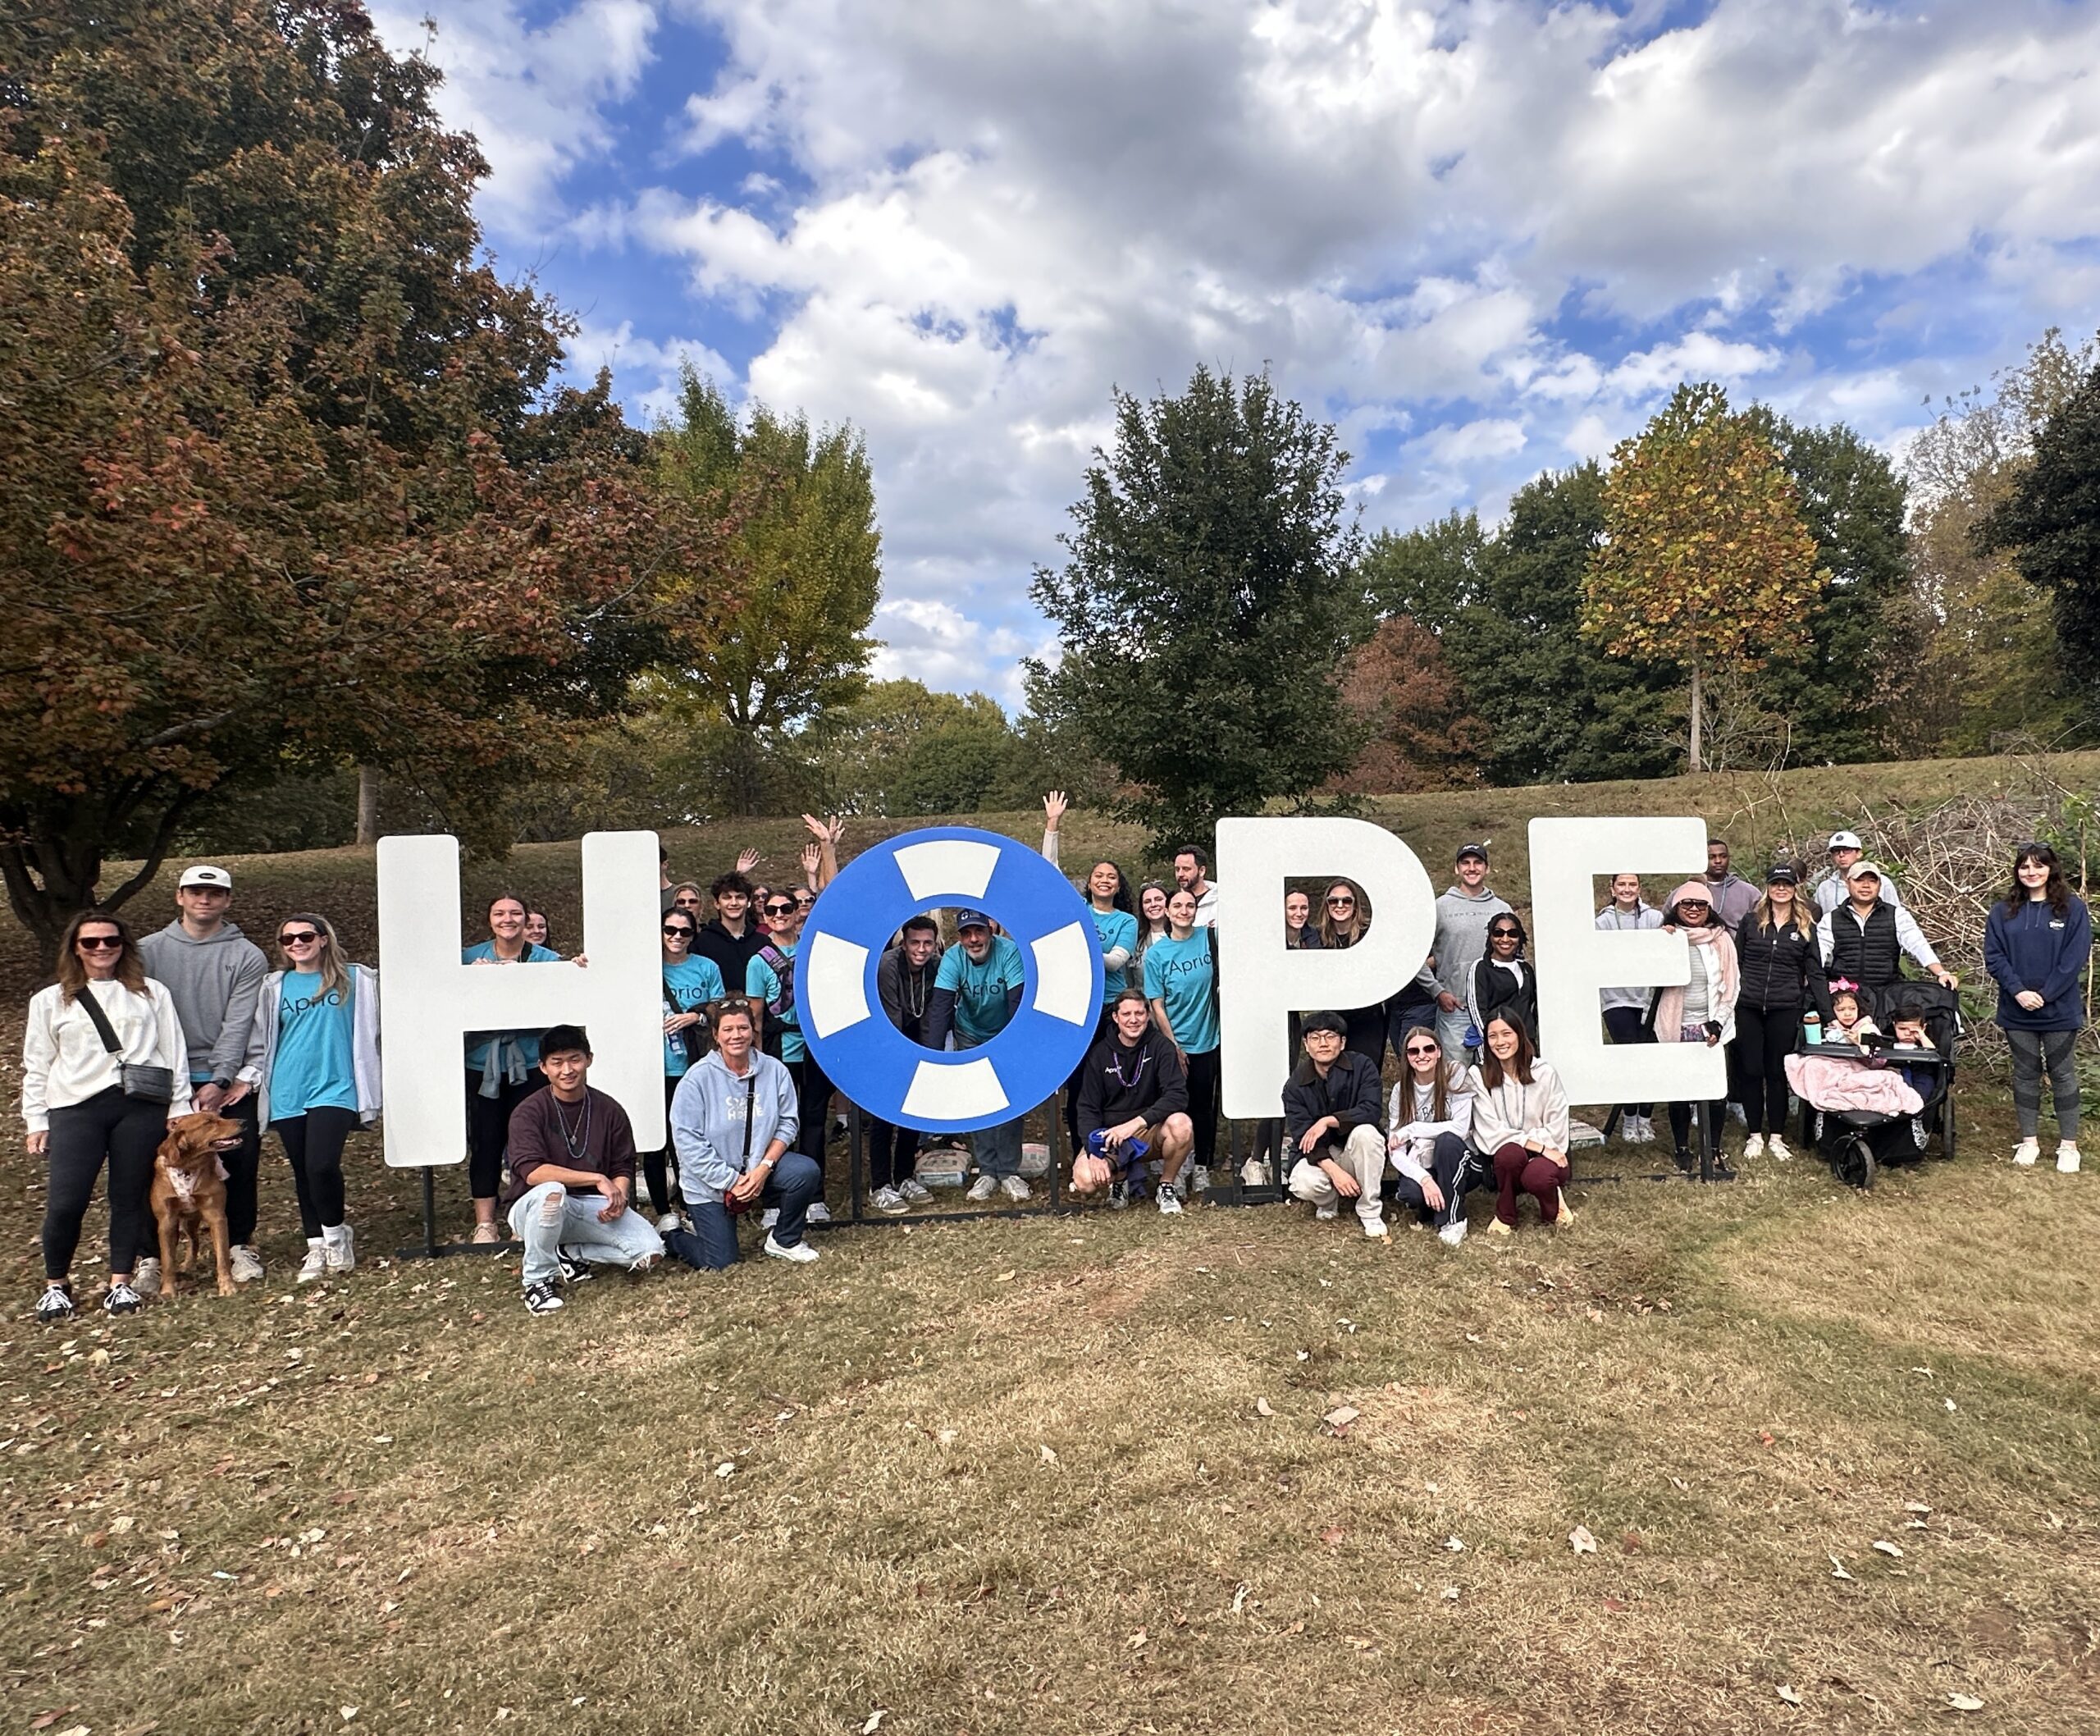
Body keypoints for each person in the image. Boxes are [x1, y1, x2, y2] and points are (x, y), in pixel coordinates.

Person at [22, 911, 193, 1322]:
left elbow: (174, 1051)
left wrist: (180, 1106)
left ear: (124, 946)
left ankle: (121, 1282)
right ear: (75, 949)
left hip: (139, 1106)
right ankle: (56, 1285)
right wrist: (36, 1120)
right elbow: (38, 1063)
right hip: (75, 1107)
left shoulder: (151, 993)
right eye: (91, 943)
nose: (101, 949)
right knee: (67, 1199)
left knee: (128, 1197)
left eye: (110, 942)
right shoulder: (50, 1000)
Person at [135, 864, 267, 1291]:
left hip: (223, 1077)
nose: (203, 900)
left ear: (227, 900)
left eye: (214, 894)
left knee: (239, 1161)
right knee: (147, 1165)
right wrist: (174, 1083)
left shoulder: (246, 954)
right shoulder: (147, 951)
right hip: (160, 1076)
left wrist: (221, 1079)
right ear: (180, 897)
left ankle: (239, 1246)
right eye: (194, 892)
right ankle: (151, 1258)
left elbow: (239, 1020)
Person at [243, 914, 379, 1284]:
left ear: (323, 939)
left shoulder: (357, 979)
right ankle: (316, 1243)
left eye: (305, 936)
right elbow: (260, 1039)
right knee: (303, 1170)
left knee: (322, 1164)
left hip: (336, 1086)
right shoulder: (275, 986)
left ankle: (337, 1235)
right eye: (287, 940)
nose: (296, 944)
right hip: (289, 1088)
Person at [503, 1025, 664, 1314]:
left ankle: (570, 1252)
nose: (567, 1069)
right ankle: (538, 1282)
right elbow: (531, 1172)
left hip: (588, 1205)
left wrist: (618, 1197)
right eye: (557, 1062)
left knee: (650, 1252)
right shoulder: (529, 1111)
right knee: (553, 1191)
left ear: (589, 1059)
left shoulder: (609, 1109)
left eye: (574, 1059)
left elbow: (622, 1163)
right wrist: (596, 1178)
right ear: (543, 1067)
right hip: (532, 1207)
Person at [666, 998, 822, 1268]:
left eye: (743, 1027)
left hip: (758, 1170)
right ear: (715, 1035)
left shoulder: (775, 1071)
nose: (736, 1035)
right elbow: (688, 1142)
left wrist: (763, 1168)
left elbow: (788, 1123)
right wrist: (731, 1181)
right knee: (720, 1262)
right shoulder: (696, 1080)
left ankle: (784, 1239)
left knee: (804, 1172)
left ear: (753, 1030)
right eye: (727, 1030)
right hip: (710, 1183)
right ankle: (672, 1237)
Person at [461, 893, 562, 1243]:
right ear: (489, 919)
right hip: (482, 1063)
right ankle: (486, 1222)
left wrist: (578, 969)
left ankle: (525, 1214)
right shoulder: (468, 958)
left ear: (526, 918)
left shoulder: (548, 960)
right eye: (500, 913)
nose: (508, 919)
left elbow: (565, 998)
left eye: (516, 913)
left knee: (531, 1141)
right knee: (486, 1141)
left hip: (531, 1061)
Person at [1984, 841, 2090, 1172]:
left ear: (2051, 869)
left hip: (2060, 1010)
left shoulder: (2073, 909)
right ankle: (2029, 1141)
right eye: (2025, 867)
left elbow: (2074, 959)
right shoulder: (2003, 911)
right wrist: (2018, 991)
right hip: (2017, 1010)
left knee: (2062, 1074)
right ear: (2017, 871)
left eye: (2038, 866)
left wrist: (2046, 994)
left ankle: (2068, 1146)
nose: (2031, 872)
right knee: (2026, 1075)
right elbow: (1994, 956)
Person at [926, 909, 1031, 1202]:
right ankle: (987, 1170)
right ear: (959, 937)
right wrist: (934, 1060)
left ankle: (1009, 1171)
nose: (973, 939)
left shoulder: (1008, 951)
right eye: (966, 934)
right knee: (979, 1099)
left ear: (990, 930)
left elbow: (1016, 1000)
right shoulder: (953, 958)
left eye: (979, 931)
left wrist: (1011, 1047)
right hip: (970, 1033)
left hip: (1006, 1031)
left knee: (1010, 1098)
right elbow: (941, 1008)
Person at [746, 890, 833, 1222]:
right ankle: (772, 1200)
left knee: (813, 1121)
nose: (779, 914)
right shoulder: (759, 961)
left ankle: (815, 1198)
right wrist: (758, 1058)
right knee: (773, 1124)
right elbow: (755, 1015)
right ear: (765, 916)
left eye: (786, 908)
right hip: (778, 1048)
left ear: (798, 911)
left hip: (814, 1049)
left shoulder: (813, 950)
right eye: (772, 910)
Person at [1731, 865, 1825, 1163]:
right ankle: (1755, 1135)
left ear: (1795, 887)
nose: (1781, 889)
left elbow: (1815, 971)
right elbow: (1737, 964)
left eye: (1786, 884)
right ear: (1768, 887)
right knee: (1750, 1070)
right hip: (1748, 1004)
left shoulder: (1805, 925)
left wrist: (1829, 1014)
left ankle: (1777, 1136)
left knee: (1776, 1072)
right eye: (1775, 884)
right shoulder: (1750, 921)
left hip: (1785, 1006)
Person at [1073, 988, 1194, 1212]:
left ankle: (1166, 1186)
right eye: (1127, 1014)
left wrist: (1135, 1124)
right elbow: (1087, 1108)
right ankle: (1120, 1180)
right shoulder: (1099, 1054)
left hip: (1148, 1129)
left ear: (1147, 1016)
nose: (1133, 1020)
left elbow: (1177, 1096)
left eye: (1139, 1013)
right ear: (1116, 1018)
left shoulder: (1161, 1047)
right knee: (1084, 1180)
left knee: (1182, 1125)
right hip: (1110, 1135)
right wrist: (1094, 1152)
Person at [1651, 883, 1740, 1176]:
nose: (1693, 909)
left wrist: (1719, 1021)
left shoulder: (1721, 939)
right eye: (1687, 904)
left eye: (1701, 905)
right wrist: (1662, 944)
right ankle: (1682, 1148)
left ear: (1709, 909)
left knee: (1714, 1091)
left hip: (1711, 1023)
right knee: (1679, 1090)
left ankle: (1712, 1147)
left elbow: (1732, 984)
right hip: (1676, 1023)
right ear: (1676, 908)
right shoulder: (1667, 937)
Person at [650, 909, 726, 1231]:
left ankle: (692, 1203)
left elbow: (722, 1010)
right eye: (670, 930)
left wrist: (695, 1018)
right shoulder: (646, 968)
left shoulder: (706, 968)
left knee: (694, 1138)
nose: (676, 937)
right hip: (655, 1066)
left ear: (693, 935)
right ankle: (663, 1210)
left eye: (684, 932)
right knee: (658, 1141)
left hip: (695, 1067)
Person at [1144, 886, 1221, 1199]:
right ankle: (1175, 1170)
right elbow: (1157, 1003)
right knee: (1175, 1108)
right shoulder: (1157, 954)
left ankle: (1202, 1165)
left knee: (1205, 1107)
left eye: (1190, 906)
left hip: (1209, 1040)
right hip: (1175, 1043)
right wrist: (1172, 1044)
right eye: (1177, 906)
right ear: (1167, 911)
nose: (1184, 911)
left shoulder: (1210, 939)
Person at [1282, 1012, 1390, 1238]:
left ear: (1342, 1042)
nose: (1323, 1043)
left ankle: (1370, 1211)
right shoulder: (1295, 1085)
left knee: (1367, 1134)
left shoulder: (1363, 1067)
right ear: (1306, 1044)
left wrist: (1329, 1121)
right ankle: (1328, 1201)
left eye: (1330, 1036)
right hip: (1321, 1156)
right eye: (1315, 1038)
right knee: (1302, 1182)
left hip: (1354, 1150)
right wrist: (1335, 1172)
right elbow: (1304, 1137)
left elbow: (1371, 1110)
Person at [1468, 1012, 1573, 1236]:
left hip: (1550, 1157)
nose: (1500, 1042)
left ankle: (1552, 1209)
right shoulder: (1479, 1075)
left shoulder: (1545, 1073)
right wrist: (1536, 1145)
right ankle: (1506, 1214)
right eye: (1493, 1036)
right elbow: (1490, 1132)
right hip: (1509, 1161)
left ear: (1520, 1035)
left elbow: (1557, 1129)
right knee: (1509, 1154)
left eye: (1507, 1034)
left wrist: (1540, 1151)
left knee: (1536, 1175)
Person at [1248, 889, 1324, 1186]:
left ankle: (1266, 1155)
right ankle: (1255, 1159)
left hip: (1291, 1019)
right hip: (1264, 1018)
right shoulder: (1267, 938)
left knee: (1285, 1085)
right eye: (1292, 907)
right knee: (1270, 1086)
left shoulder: (1311, 937)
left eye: (1304, 907)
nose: (1298, 912)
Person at [869, 916, 943, 1213]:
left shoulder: (937, 965)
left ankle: (904, 1176)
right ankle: (880, 1184)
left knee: (915, 1106)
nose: (921, 949)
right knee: (884, 1111)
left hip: (918, 1036)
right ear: (904, 942)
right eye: (915, 942)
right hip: (887, 1036)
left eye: (927, 943)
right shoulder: (888, 964)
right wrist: (900, 1059)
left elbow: (934, 1013)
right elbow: (892, 1016)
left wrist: (927, 1059)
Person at [1419, 844, 1512, 1061]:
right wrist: (1437, 992)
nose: (1472, 868)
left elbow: (1514, 958)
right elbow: (1414, 959)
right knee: (1456, 1081)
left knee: (1496, 1080)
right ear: (1456, 869)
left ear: (1487, 869)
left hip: (1494, 1009)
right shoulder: (1439, 908)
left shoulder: (1502, 909)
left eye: (1478, 863)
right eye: (1465, 863)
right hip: (1456, 1010)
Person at [1388, 1028, 1476, 1245]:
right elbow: (1395, 1151)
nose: (1422, 1055)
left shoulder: (1454, 1073)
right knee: (1412, 1194)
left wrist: (1413, 1128)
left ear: (1438, 1052)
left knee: (1446, 1140)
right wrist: (1425, 1180)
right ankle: (1433, 1199)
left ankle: (1455, 1220)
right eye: (1413, 1051)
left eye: (1428, 1048)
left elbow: (1461, 1128)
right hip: (1424, 1162)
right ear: (1406, 1057)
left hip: (1463, 1160)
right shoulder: (1401, 1090)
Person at [1816, 861, 1957, 994]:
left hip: (1887, 994)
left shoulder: (1897, 916)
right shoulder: (1830, 919)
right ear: (1848, 884)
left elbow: (1918, 945)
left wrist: (1941, 973)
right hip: (1847, 997)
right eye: (1859, 880)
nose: (1866, 885)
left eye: (1872, 881)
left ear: (1880, 885)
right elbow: (1818, 954)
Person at [1598, 873, 1663, 1144]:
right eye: (1621, 884)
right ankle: (1629, 1116)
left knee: (1650, 1058)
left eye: (1632, 884)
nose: (1627, 889)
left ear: (1639, 888)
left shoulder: (1654, 919)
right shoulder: (1600, 923)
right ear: (1612, 888)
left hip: (1648, 999)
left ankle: (1645, 1119)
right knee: (1628, 1057)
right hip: (1617, 999)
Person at [1317, 879, 1388, 1067]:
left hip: (1367, 1018)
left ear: (1355, 906)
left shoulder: (1371, 934)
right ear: (1327, 905)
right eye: (1334, 901)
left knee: (1365, 1073)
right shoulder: (1317, 938)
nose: (1340, 906)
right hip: (1331, 1018)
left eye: (1346, 901)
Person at [1468, 914, 1538, 1046]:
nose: (1505, 939)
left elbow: (1532, 1007)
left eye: (1512, 933)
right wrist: (1493, 1043)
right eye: (1498, 933)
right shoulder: (1481, 968)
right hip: (1498, 1046)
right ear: (1490, 937)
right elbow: (1478, 1013)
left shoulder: (1526, 969)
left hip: (1526, 1044)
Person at [694, 871, 765, 997]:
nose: (734, 903)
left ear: (749, 902)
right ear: (717, 903)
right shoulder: (701, 942)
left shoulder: (763, 943)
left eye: (740, 897)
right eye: (727, 897)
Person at [1812, 831, 1904, 914]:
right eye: (1836, 851)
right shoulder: (1824, 888)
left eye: (1847, 850)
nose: (1841, 855)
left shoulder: (1882, 882)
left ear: (1859, 853)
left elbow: (1895, 915)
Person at [1701, 839, 1761, 931]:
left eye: (1723, 856)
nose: (1718, 861)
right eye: (1711, 857)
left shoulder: (1750, 893)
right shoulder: (1687, 892)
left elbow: (1761, 927)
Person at [1172, 845, 1220, 928]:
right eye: (1177, 869)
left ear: (1202, 871)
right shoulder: (1171, 902)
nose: (1180, 874)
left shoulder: (1218, 902)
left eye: (1186, 869)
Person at [1133, 882, 1172, 969]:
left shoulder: (1183, 935)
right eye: (1147, 902)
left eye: (1158, 899)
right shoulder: (1136, 941)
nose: (1153, 905)